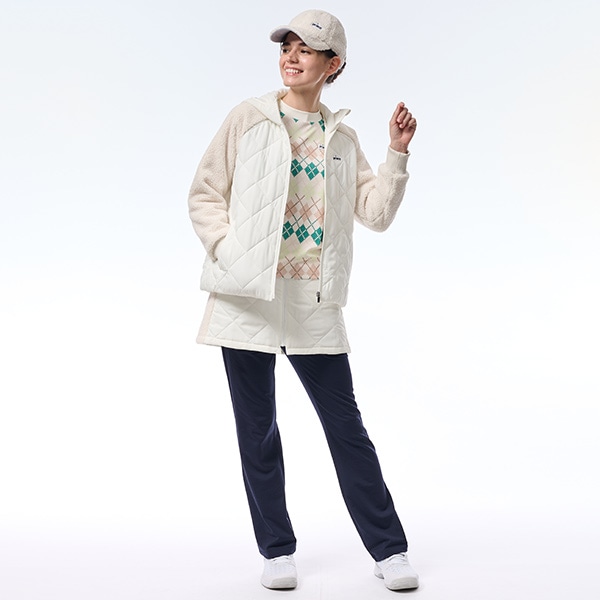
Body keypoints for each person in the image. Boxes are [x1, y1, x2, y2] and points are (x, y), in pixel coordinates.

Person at [188, 9, 419, 592]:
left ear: (332, 64)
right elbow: (205, 192)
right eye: (286, 47)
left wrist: (396, 154)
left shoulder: (342, 138)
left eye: (306, 50)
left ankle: (389, 550)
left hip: (313, 301)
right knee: (257, 429)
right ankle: (276, 550)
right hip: (247, 297)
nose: (291, 57)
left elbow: (375, 214)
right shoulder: (248, 118)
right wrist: (230, 252)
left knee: (347, 430)